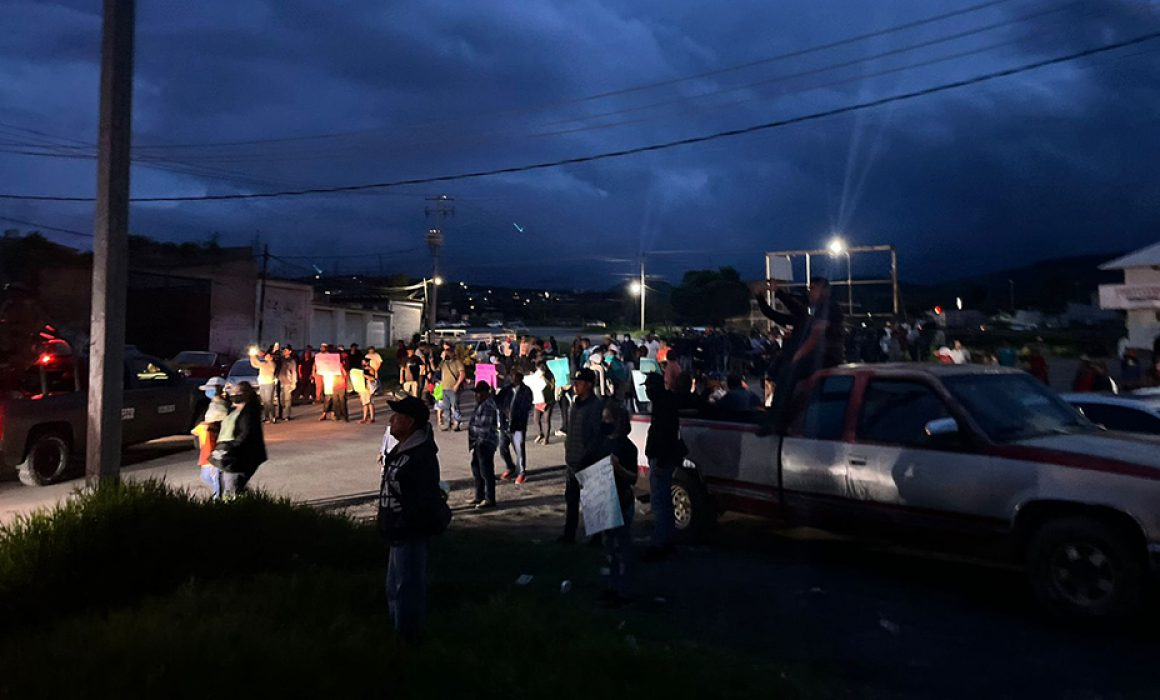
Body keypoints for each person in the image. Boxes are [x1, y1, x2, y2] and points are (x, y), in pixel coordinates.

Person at [378, 395, 446, 642]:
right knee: (395, 587)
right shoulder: (402, 449)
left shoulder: (420, 455)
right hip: (397, 532)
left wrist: (404, 524)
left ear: (409, 422)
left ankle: (408, 639)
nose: (391, 420)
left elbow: (422, 498)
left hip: (409, 533)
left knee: (407, 588)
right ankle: (399, 631)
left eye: (396, 416)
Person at [560, 368, 609, 544]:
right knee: (571, 500)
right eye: (575, 382)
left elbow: (596, 437)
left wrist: (587, 457)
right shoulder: (575, 403)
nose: (575, 386)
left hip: (589, 462)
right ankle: (569, 534)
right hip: (572, 460)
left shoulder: (596, 407)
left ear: (589, 385)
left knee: (593, 501)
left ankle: (596, 538)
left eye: (579, 383)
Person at [597, 403, 638, 605]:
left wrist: (618, 467)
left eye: (607, 419)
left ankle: (624, 590)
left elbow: (633, 478)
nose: (604, 423)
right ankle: (612, 586)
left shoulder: (627, 447)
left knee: (621, 547)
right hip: (606, 499)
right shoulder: (604, 442)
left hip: (621, 500)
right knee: (609, 547)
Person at [641, 372, 683, 561]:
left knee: (659, 502)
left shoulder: (662, 405)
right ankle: (667, 539)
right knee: (663, 501)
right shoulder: (665, 402)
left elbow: (663, 435)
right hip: (663, 456)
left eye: (649, 387)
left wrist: (659, 459)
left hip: (661, 457)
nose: (647, 391)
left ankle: (661, 542)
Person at [214, 381, 267, 498]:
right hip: (230, 453)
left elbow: (245, 434)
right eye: (233, 393)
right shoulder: (235, 409)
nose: (234, 395)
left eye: (238, 393)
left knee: (231, 487)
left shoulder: (249, 412)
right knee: (228, 484)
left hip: (240, 456)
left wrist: (230, 448)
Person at [192, 376, 230, 499]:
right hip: (210, 443)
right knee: (208, 476)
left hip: (214, 444)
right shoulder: (216, 404)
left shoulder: (220, 407)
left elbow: (215, 426)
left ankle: (219, 498)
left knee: (213, 475)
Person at [497, 368, 533, 485]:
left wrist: (515, 416)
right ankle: (510, 466)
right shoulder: (506, 390)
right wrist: (492, 392)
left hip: (518, 425)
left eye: (515, 376)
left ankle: (521, 472)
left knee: (519, 449)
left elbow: (526, 407)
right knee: (503, 448)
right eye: (511, 376)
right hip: (504, 424)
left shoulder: (526, 391)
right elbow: (497, 403)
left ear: (520, 378)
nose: (512, 378)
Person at [467, 381, 500, 509]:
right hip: (478, 443)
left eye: (479, 393)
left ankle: (489, 498)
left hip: (484, 442)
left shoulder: (487, 406)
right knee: (477, 469)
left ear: (486, 393)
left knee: (486, 471)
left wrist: (476, 439)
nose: (477, 395)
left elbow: (484, 427)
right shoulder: (481, 404)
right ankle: (479, 496)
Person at [528, 359, 557, 444]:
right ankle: (539, 434)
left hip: (548, 400)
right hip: (538, 399)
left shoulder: (550, 375)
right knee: (536, 419)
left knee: (546, 419)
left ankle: (546, 439)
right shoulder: (536, 375)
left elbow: (552, 386)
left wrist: (544, 378)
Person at [438, 346, 466, 431]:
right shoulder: (443, 363)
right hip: (444, 387)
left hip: (453, 388)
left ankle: (457, 422)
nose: (445, 354)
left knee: (455, 406)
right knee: (446, 407)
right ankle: (447, 423)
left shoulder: (457, 362)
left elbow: (462, 374)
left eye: (447, 352)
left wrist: (457, 385)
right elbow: (436, 370)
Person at [250, 346, 278, 423]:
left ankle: (273, 416)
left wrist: (254, 356)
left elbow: (258, 363)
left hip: (269, 384)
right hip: (262, 384)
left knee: (269, 401)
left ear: (270, 357)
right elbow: (254, 364)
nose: (266, 357)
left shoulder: (272, 364)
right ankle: (266, 417)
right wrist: (252, 357)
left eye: (268, 356)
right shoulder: (263, 364)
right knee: (265, 401)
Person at [276, 346, 297, 421]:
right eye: (284, 350)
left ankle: (287, 415)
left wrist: (293, 383)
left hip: (288, 382)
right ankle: (280, 414)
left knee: (287, 399)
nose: (284, 351)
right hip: (280, 381)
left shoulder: (291, 361)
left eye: (286, 350)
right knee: (281, 399)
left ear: (290, 352)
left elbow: (294, 372)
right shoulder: (281, 360)